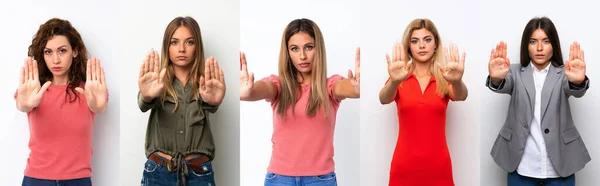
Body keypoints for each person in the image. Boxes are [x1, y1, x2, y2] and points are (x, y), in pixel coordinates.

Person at [240, 18, 360, 186]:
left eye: (308, 47)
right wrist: (247, 92)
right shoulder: (278, 85)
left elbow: (349, 88)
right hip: (279, 179)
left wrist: (358, 87)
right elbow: (260, 89)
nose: (302, 56)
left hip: (320, 180)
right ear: (287, 52)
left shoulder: (330, 86)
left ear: (318, 48)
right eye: (294, 49)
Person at [486, 17, 590, 186]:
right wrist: (496, 79)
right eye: (533, 41)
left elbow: (575, 89)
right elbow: (502, 84)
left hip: (559, 168)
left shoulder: (565, 73)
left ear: (553, 45)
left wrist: (578, 81)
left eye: (546, 41)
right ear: (526, 46)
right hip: (522, 167)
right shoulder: (513, 71)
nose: (539, 48)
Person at [15, 18, 108, 186]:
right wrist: (24, 104)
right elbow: (22, 104)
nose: (55, 60)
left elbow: (99, 106)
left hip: (78, 180)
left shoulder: (90, 91)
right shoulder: (33, 90)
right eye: (48, 52)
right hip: (36, 180)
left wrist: (97, 106)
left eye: (62, 51)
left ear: (75, 51)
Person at [378, 18, 468, 186]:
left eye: (427, 40)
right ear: (409, 47)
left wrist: (456, 81)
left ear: (435, 45)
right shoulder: (400, 78)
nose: (421, 46)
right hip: (404, 167)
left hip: (438, 168)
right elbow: (383, 98)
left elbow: (462, 95)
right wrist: (394, 81)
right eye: (415, 41)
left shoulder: (444, 78)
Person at [137, 16, 226, 186]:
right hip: (158, 173)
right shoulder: (157, 80)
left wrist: (213, 102)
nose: (182, 49)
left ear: (197, 47)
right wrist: (147, 96)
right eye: (175, 42)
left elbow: (212, 105)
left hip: (199, 174)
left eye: (189, 42)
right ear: (167, 46)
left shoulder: (206, 83)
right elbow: (143, 103)